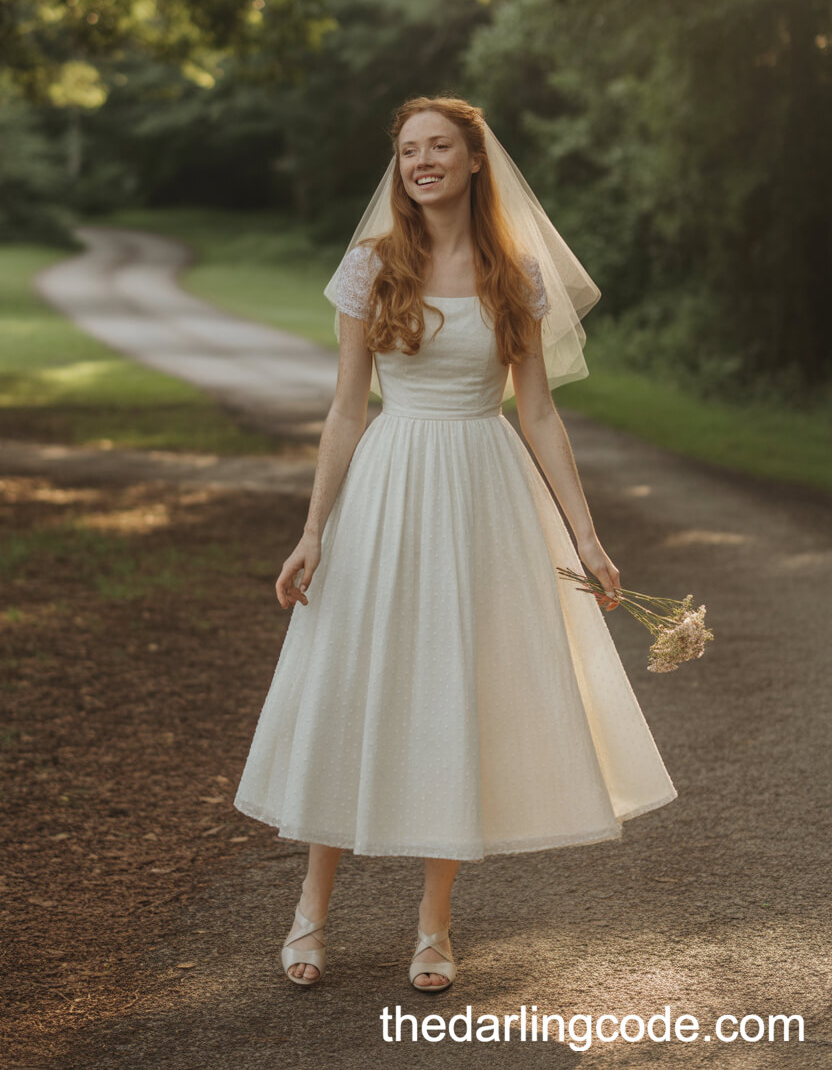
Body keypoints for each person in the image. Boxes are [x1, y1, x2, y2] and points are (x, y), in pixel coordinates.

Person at [233, 95, 677, 992]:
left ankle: (434, 924)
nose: (422, 162)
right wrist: (313, 530)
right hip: (389, 489)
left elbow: (541, 412)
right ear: (397, 168)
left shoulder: (515, 271)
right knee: (354, 682)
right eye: (408, 152)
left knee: (454, 692)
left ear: (476, 160)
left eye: (439, 148)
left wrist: (587, 537)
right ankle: (310, 910)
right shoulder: (369, 268)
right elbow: (347, 409)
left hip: (484, 490)